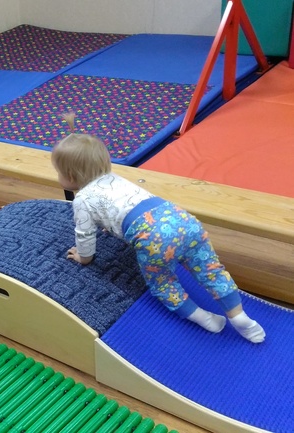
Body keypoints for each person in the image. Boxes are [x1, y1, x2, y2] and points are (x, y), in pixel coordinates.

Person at [50, 113, 265, 343]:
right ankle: (238, 315)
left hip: (154, 239)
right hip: (182, 221)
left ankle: (203, 318)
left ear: (70, 176)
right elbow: (118, 209)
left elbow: (85, 236)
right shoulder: (115, 178)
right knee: (211, 270)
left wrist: (83, 258)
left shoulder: (82, 199)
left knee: (163, 283)